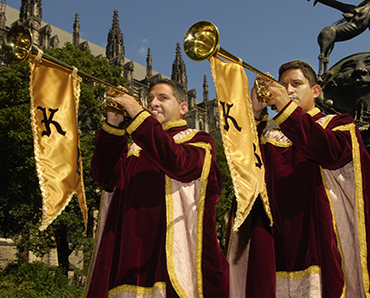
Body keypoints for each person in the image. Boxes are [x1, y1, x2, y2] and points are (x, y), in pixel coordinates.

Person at [83, 78, 229, 298]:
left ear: (183, 108)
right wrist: (113, 125)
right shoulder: (136, 144)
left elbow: (179, 163)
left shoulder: (198, 139)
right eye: (149, 99)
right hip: (128, 256)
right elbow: (104, 176)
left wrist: (137, 114)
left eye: (162, 98)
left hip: (169, 258)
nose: (153, 103)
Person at [251, 60, 370, 297]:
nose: (289, 90)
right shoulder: (269, 135)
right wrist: (253, 113)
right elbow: (243, 167)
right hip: (276, 242)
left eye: (296, 84)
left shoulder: (339, 124)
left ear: (315, 91)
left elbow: (328, 151)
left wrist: (286, 111)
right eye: (283, 86)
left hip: (320, 239)